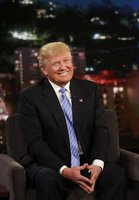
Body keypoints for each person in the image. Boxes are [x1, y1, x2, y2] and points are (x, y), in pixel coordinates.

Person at [18, 42, 127, 200]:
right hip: (49, 163)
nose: (63, 67)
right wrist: (64, 169)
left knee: (116, 175)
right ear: (44, 70)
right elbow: (35, 142)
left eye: (66, 61)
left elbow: (100, 130)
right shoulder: (30, 96)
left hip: (86, 162)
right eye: (56, 63)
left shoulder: (90, 90)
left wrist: (97, 164)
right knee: (48, 180)